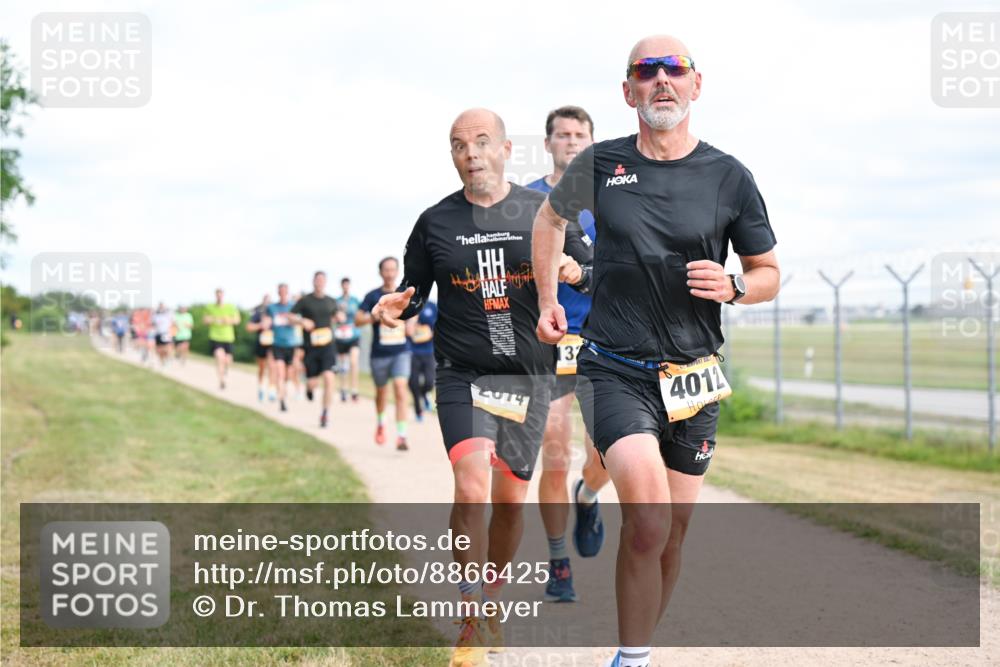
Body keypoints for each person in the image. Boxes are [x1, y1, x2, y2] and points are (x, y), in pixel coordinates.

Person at [532, 35, 781, 667]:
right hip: (615, 368)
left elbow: (768, 271)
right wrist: (545, 301)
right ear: (628, 91)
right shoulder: (603, 164)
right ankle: (632, 659)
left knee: (671, 536)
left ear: (697, 85)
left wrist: (736, 286)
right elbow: (548, 223)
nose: (661, 79)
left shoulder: (730, 176)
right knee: (648, 521)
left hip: (695, 375)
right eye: (647, 71)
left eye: (675, 69)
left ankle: (635, 646)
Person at [370, 108, 592, 667]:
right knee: (471, 487)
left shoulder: (543, 211)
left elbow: (592, 270)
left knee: (509, 501)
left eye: (480, 141)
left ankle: (491, 598)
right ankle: (470, 616)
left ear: (506, 149)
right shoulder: (434, 222)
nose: (469, 152)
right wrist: (399, 305)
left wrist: (573, 273)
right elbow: (415, 291)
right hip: (461, 373)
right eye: (458, 144)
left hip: (526, 375)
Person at [526, 106, 611, 604]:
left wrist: (579, 268)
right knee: (554, 452)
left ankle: (590, 493)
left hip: (605, 340)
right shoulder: (527, 200)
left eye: (580, 135)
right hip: (550, 344)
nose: (572, 142)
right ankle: (558, 563)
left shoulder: (611, 199)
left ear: (591, 143)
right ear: (549, 143)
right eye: (563, 135)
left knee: (608, 454)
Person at [357, 258, 413, 450]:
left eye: (393, 270)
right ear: (380, 273)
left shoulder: (403, 295)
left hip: (401, 351)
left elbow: (414, 315)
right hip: (379, 353)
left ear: (398, 271)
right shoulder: (373, 296)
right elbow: (357, 320)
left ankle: (402, 435)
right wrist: (375, 315)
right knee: (381, 391)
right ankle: (381, 422)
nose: (389, 273)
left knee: (400, 388)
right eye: (386, 270)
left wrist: (411, 323)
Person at [290, 271, 339, 427]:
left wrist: (340, 317)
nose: (319, 282)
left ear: (325, 282)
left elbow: (336, 316)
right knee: (312, 383)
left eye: (322, 280)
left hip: (328, 346)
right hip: (311, 348)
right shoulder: (305, 300)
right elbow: (290, 316)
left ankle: (325, 413)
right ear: (313, 282)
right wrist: (302, 320)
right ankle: (309, 389)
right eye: (317, 280)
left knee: (329, 377)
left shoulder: (331, 301)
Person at [268, 283, 298, 412]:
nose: (283, 294)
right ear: (278, 292)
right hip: (277, 344)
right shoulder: (272, 308)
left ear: (288, 292)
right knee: (280, 372)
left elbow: (299, 321)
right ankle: (282, 400)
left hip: (291, 344)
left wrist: (292, 319)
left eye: (285, 291)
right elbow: (267, 322)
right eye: (280, 291)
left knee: (287, 374)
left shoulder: (293, 307)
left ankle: (283, 391)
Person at [203, 288, 241, 390]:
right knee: (219, 357)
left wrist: (227, 320)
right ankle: (221, 381)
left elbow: (237, 320)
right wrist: (213, 319)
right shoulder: (210, 307)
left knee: (227, 360)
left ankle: (225, 369)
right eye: (217, 295)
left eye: (221, 295)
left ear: (223, 295)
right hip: (215, 337)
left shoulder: (230, 307)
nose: (219, 297)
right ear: (215, 296)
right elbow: (205, 320)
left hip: (228, 338)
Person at [334, 277, 363, 403]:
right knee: (342, 365)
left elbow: (360, 314)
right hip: (341, 336)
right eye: (343, 285)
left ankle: (354, 389)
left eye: (347, 285)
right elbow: (333, 317)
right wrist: (337, 318)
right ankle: (343, 389)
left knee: (353, 361)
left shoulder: (355, 300)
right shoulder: (336, 301)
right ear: (341, 286)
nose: (345, 287)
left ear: (349, 286)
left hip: (353, 335)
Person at [408, 299, 437, 422]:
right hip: (412, 352)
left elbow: (439, 325)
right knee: (413, 383)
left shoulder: (432, 306)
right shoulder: (409, 306)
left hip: (429, 351)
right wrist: (413, 319)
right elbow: (408, 331)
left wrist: (431, 333)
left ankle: (425, 394)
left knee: (430, 382)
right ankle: (418, 411)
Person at [246, 294, 275, 402]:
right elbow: (248, 327)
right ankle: (261, 387)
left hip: (272, 344)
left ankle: (272, 389)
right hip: (261, 343)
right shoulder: (258, 314)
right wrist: (260, 325)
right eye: (266, 301)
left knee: (272, 365)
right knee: (262, 367)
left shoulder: (274, 315)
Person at [151, 302, 174, 367]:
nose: (161, 308)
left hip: (165, 333)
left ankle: (168, 358)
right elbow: (153, 324)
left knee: (166, 348)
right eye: (160, 306)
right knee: (159, 350)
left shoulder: (168, 314)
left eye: (162, 306)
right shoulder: (155, 315)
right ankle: (162, 362)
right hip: (158, 333)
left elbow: (172, 322)